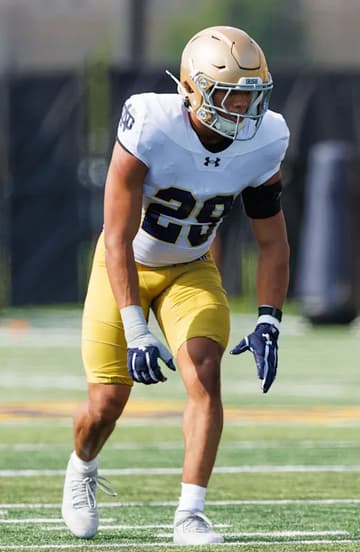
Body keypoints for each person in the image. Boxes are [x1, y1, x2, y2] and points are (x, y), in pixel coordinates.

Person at [61, 25, 290, 546]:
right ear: (193, 88)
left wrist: (269, 321)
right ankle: (82, 467)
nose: (244, 107)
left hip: (190, 268)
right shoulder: (151, 124)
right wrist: (137, 330)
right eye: (232, 92)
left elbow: (273, 244)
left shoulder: (266, 139)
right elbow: (116, 237)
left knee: (205, 375)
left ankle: (191, 513)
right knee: (106, 404)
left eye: (253, 94)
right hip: (126, 266)